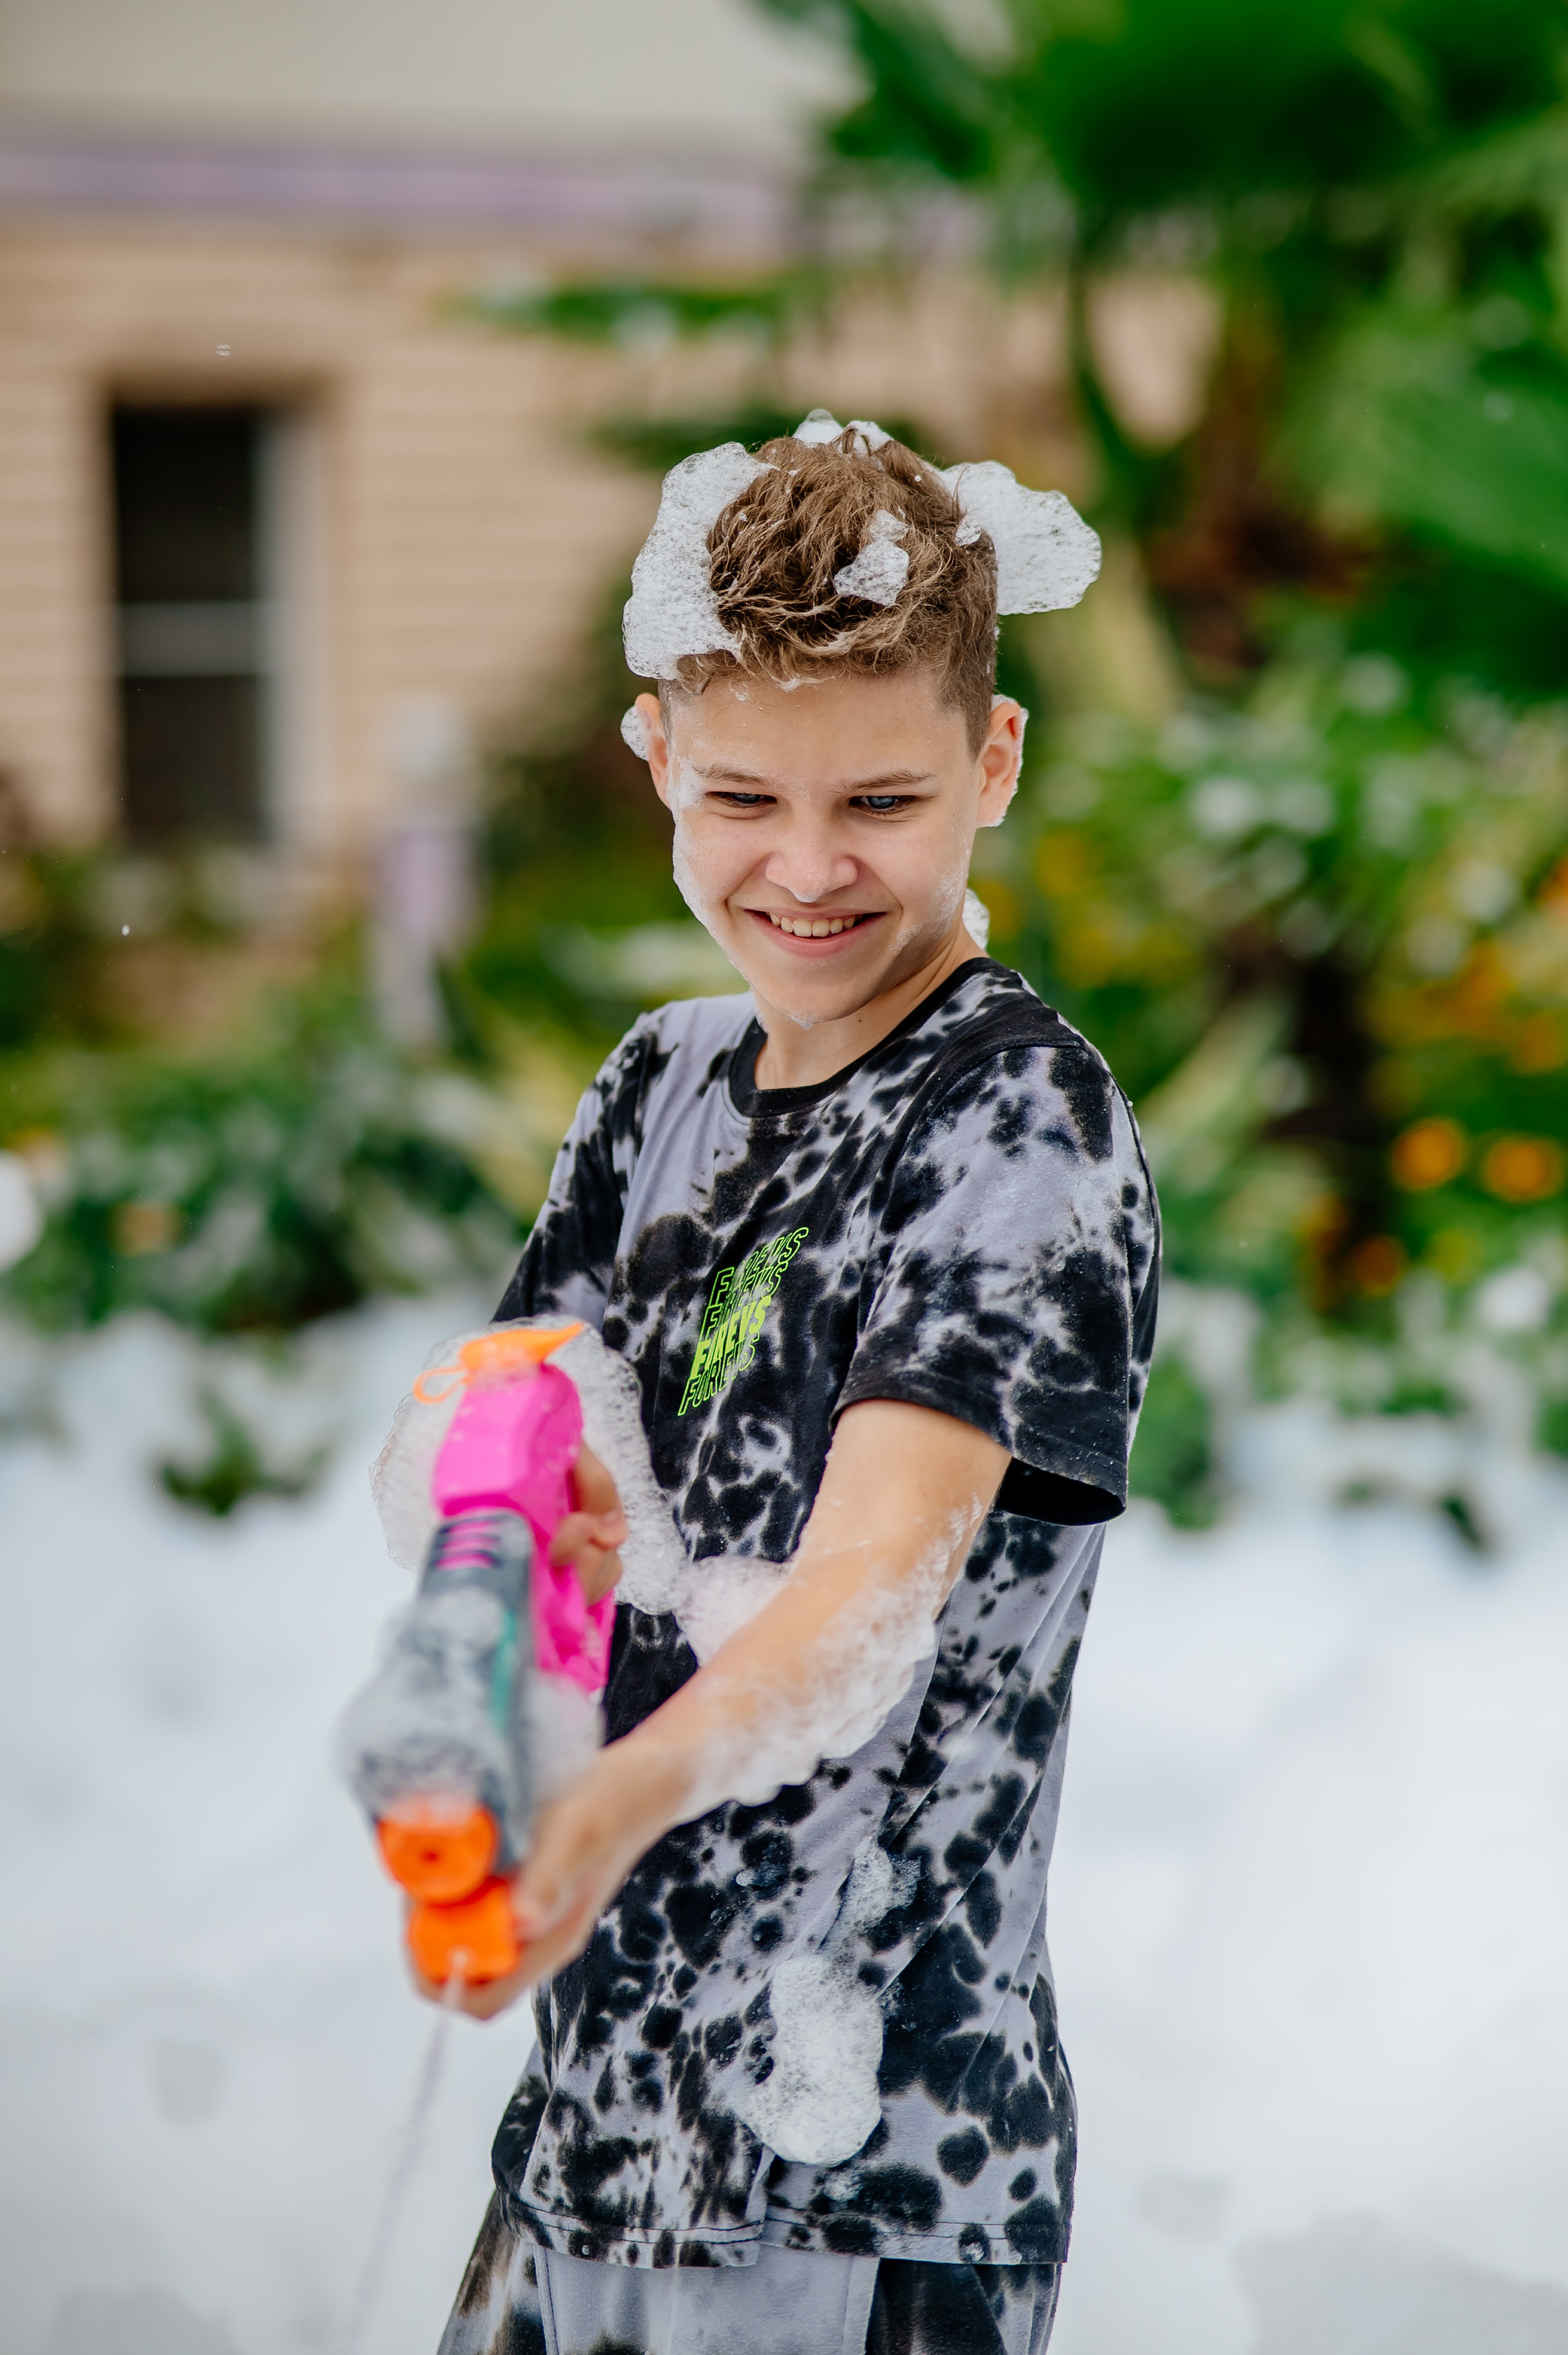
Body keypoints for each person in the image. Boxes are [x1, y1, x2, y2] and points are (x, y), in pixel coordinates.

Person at [434, 415, 1158, 2355]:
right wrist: (480, 1626)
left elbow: (866, 1597)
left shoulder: (1018, 1120)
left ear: (992, 764)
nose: (808, 866)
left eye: (884, 800)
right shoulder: (653, 1088)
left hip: (863, 2166)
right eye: (742, 794)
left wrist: (607, 1806)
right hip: (588, 2132)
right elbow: (500, 1444)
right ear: (654, 749)